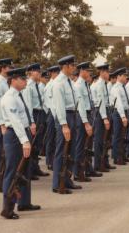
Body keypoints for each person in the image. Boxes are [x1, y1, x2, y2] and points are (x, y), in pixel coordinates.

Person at [0, 67, 41, 219]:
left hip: (23, 133)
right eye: (22, 79)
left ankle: (24, 202)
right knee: (13, 172)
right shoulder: (9, 98)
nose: (25, 81)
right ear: (14, 80)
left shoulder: (18, 95)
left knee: (24, 170)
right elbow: (15, 122)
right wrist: (24, 141)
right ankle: (7, 209)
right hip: (15, 136)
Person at [52, 55, 81, 194]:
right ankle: (57, 183)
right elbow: (59, 106)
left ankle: (67, 180)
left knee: (70, 151)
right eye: (72, 66)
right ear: (66, 66)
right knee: (61, 151)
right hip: (64, 117)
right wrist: (64, 125)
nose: (74, 68)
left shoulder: (69, 81)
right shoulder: (59, 83)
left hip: (72, 115)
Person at [22, 63, 49, 179]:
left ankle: (35, 167)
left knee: (38, 143)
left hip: (40, 113)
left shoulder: (38, 86)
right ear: (30, 72)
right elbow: (28, 106)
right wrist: (31, 122)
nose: (39, 74)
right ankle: (29, 170)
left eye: (39, 72)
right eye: (37, 72)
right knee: (32, 143)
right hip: (34, 115)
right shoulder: (28, 86)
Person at [91, 63, 115, 172]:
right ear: (102, 72)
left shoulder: (104, 84)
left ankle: (104, 162)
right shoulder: (99, 84)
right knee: (99, 140)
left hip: (105, 111)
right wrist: (105, 118)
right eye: (107, 72)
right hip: (100, 113)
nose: (108, 74)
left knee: (106, 140)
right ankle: (98, 164)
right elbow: (100, 103)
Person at [0, 58, 13, 189]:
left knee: (4, 151)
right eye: (9, 67)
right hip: (1, 122)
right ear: (2, 68)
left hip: (7, 121)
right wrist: (2, 124)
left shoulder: (6, 83)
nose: (11, 69)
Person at [110, 68, 129, 165]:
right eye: (124, 75)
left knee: (122, 136)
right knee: (117, 136)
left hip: (123, 112)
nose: (125, 77)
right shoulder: (116, 88)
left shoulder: (122, 87)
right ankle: (117, 157)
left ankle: (122, 155)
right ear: (119, 76)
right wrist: (123, 116)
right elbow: (119, 103)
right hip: (118, 113)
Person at [43, 65, 60, 170]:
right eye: (57, 73)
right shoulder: (50, 85)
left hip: (55, 113)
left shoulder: (55, 84)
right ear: (53, 73)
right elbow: (48, 103)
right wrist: (52, 115)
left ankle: (52, 160)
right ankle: (49, 161)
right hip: (52, 114)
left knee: (55, 139)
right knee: (51, 138)